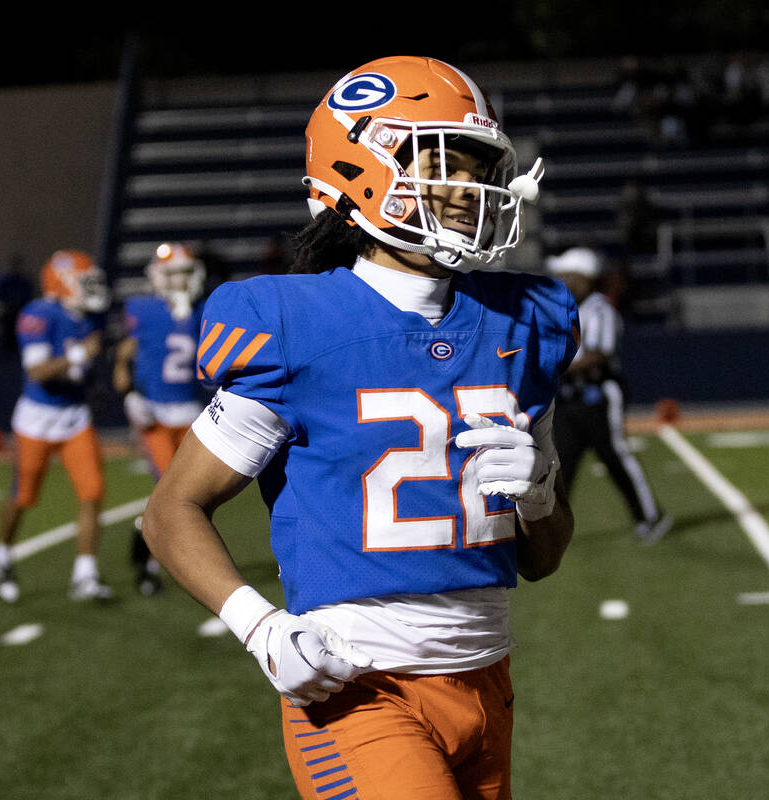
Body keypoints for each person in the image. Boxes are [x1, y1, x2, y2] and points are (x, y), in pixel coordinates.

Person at [141, 55, 578, 798]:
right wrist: (259, 625)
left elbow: (543, 559)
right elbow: (169, 509)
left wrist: (539, 498)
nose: (471, 190)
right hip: (356, 687)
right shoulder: (291, 323)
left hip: (488, 679)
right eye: (446, 164)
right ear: (362, 169)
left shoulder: (523, 322)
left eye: (479, 167)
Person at [0, 249, 115, 603]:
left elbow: (84, 368)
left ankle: (85, 575)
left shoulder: (91, 317)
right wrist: (80, 356)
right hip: (37, 419)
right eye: (84, 281)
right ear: (62, 283)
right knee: (24, 497)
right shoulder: (37, 314)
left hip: (75, 416)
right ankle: (1, 553)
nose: (92, 288)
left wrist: (93, 387)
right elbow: (37, 371)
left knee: (92, 491)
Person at [545, 246, 673, 546]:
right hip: (568, 400)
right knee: (560, 464)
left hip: (598, 397)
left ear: (584, 279)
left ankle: (651, 516)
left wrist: (554, 368)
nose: (560, 280)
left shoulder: (600, 309)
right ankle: (550, 528)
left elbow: (599, 354)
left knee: (616, 457)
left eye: (567, 275)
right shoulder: (563, 309)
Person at [112, 242, 210, 596]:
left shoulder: (202, 311)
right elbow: (122, 358)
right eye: (174, 274)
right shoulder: (145, 310)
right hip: (155, 414)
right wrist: (129, 396)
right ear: (158, 277)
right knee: (169, 493)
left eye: (186, 273)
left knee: (194, 495)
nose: (181, 281)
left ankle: (159, 559)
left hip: (192, 414)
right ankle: (147, 564)